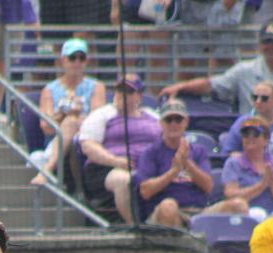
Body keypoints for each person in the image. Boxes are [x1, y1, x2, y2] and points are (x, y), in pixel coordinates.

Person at [160, 23, 273, 133]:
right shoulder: (244, 70)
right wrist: (181, 86)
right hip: (251, 132)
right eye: (266, 42)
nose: (270, 47)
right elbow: (211, 84)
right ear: (260, 44)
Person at [135, 99, 247, 228]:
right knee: (168, 206)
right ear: (161, 123)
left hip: (198, 211)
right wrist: (173, 172)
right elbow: (145, 191)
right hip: (164, 212)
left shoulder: (198, 151)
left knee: (238, 205)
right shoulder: (151, 152)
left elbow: (208, 187)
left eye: (178, 119)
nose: (173, 124)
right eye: (169, 120)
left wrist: (187, 163)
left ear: (186, 122)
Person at [77, 74, 161, 225]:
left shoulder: (153, 117)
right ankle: (134, 226)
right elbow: (88, 145)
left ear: (139, 96)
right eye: (120, 90)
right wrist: (115, 161)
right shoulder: (102, 115)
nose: (122, 95)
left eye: (128, 92)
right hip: (107, 169)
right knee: (124, 180)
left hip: (149, 167)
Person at [31, 37, 106, 186]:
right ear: (63, 60)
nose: (77, 62)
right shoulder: (50, 90)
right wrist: (64, 113)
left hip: (86, 138)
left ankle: (47, 170)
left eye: (81, 58)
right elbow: (46, 127)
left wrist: (76, 116)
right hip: (55, 141)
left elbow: (99, 120)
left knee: (73, 123)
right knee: (70, 122)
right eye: (72, 58)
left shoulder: (97, 87)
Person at [217, 82, 273, 172]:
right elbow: (230, 152)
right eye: (255, 97)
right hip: (249, 175)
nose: (258, 101)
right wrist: (252, 168)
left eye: (264, 98)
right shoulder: (242, 122)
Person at [221, 116, 273, 219]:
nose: (250, 138)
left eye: (255, 134)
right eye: (246, 135)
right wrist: (261, 186)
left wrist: (271, 180)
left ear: (266, 140)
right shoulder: (233, 163)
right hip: (246, 215)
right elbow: (231, 195)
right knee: (257, 214)